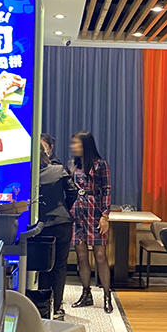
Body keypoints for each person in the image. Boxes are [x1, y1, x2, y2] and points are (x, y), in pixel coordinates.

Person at [69, 130, 112, 313]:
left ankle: (107, 295)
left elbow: (106, 189)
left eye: (76, 143)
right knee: (81, 255)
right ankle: (86, 293)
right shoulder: (73, 165)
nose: (73, 147)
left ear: (86, 145)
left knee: (100, 255)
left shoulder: (100, 164)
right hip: (77, 211)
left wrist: (105, 216)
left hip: (95, 211)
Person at [37, 146, 76, 317]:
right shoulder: (58, 170)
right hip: (62, 222)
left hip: (40, 225)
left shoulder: (30, 174)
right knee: (60, 266)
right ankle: (58, 306)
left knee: (43, 265)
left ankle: (43, 305)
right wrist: (64, 208)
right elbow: (73, 191)